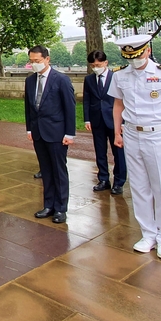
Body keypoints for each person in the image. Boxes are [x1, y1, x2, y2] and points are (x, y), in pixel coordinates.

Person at [108, 35, 161, 261]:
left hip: (157, 133)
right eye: (129, 57)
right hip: (132, 133)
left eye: (137, 55)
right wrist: (117, 132)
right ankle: (148, 234)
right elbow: (118, 104)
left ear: (147, 50)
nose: (134, 61)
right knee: (139, 187)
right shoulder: (120, 74)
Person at [24, 46, 76, 224]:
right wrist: (29, 128)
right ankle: (48, 204)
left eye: (37, 61)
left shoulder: (61, 79)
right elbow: (29, 107)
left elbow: (70, 108)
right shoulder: (30, 81)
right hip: (38, 132)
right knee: (45, 170)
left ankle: (61, 208)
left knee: (58, 171)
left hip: (57, 133)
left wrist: (70, 133)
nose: (34, 64)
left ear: (47, 59)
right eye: (31, 61)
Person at [82, 50, 127, 195]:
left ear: (105, 63)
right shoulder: (89, 79)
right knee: (100, 151)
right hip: (97, 119)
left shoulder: (116, 77)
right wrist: (87, 118)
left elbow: (122, 100)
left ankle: (119, 181)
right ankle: (103, 179)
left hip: (114, 119)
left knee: (118, 152)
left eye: (98, 64)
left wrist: (123, 122)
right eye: (93, 65)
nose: (96, 67)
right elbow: (87, 100)